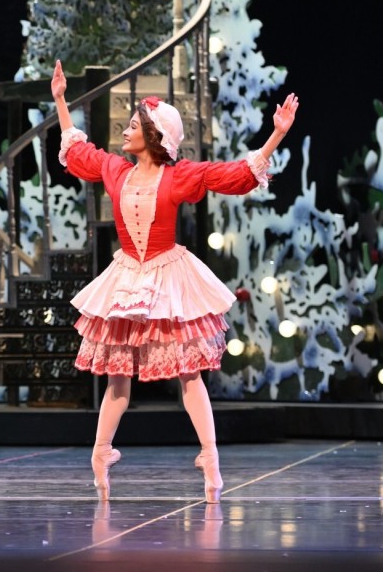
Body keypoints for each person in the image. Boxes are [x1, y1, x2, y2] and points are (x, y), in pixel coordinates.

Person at [50, 59, 299, 503]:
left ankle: (210, 456)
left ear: (154, 137)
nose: (124, 131)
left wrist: (277, 133)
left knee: (188, 373)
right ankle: (101, 452)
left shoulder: (179, 176)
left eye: (132, 125)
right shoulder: (116, 171)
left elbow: (236, 175)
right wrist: (61, 101)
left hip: (167, 275)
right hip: (127, 276)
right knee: (118, 376)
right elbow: (77, 154)